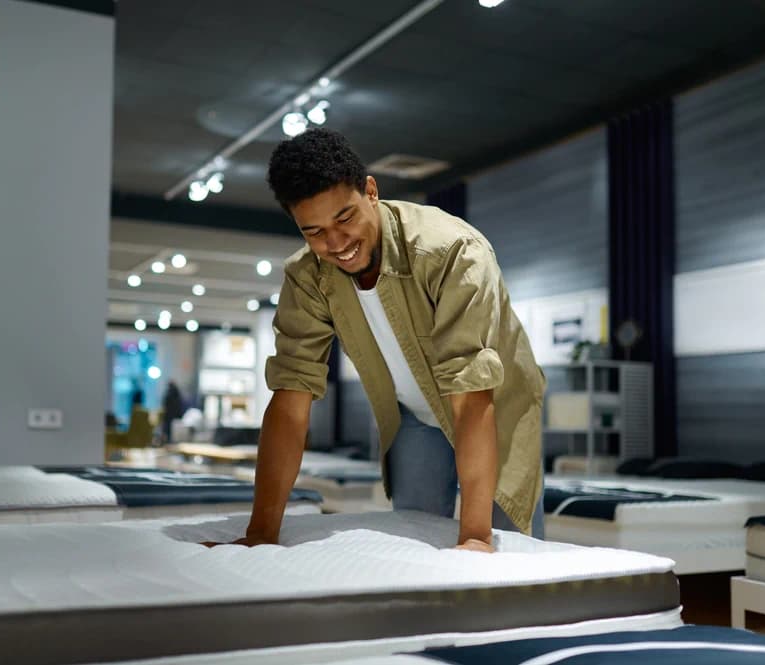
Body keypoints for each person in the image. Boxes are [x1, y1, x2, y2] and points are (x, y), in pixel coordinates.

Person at [219, 128, 545, 552]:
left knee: (505, 552)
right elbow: (290, 402)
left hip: (494, 409)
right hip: (411, 416)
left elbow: (471, 392)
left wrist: (477, 538)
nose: (336, 244)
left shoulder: (453, 252)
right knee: (413, 542)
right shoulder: (307, 278)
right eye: (314, 232)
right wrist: (261, 534)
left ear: (370, 191)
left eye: (345, 218)